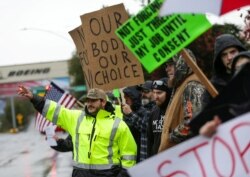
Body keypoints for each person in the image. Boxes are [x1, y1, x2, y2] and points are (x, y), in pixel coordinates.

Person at [18, 86, 137, 177]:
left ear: (103, 102)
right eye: (88, 100)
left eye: (94, 101)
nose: (89, 103)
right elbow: (54, 110)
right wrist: (34, 98)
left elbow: (129, 154)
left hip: (107, 174)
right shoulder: (76, 118)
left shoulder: (118, 124)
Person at [158, 49, 207, 152]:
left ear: (182, 62)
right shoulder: (181, 85)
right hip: (179, 153)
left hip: (187, 154)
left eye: (171, 64)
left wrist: (170, 138)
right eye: (166, 66)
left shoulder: (192, 85)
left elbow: (192, 122)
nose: (167, 69)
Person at [199, 51, 250, 137]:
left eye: (247, 67)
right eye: (238, 70)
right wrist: (206, 131)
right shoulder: (233, 110)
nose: (244, 73)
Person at [147, 77, 172, 157]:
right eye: (154, 93)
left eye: (159, 93)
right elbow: (150, 140)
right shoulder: (153, 112)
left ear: (168, 93)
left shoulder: (174, 110)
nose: (155, 97)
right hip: (157, 161)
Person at [122, 86, 147, 162]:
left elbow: (143, 128)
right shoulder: (124, 111)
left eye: (127, 98)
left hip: (140, 150)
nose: (125, 100)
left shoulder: (144, 111)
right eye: (124, 98)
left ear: (134, 98)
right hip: (129, 151)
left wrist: (130, 114)